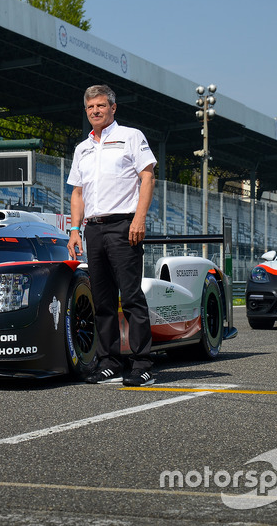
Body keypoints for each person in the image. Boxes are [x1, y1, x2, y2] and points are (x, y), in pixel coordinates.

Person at [66, 84, 157, 387]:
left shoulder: (131, 137)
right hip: (93, 228)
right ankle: (109, 362)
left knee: (131, 297)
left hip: (124, 226)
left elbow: (147, 177)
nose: (95, 111)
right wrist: (75, 230)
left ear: (113, 108)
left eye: (101, 106)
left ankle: (142, 364)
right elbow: (78, 193)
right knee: (102, 301)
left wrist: (139, 219)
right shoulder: (82, 148)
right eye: (90, 107)